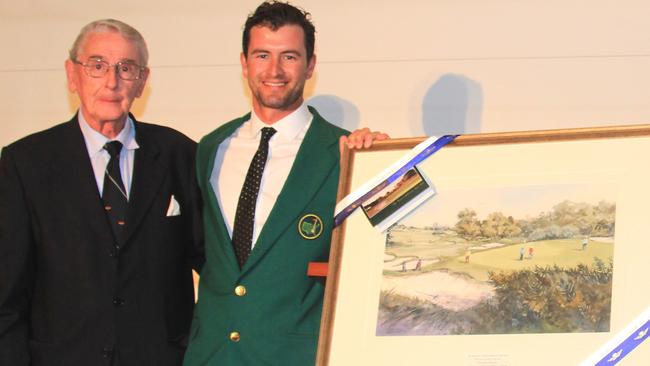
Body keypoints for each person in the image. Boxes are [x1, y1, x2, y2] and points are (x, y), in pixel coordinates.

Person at [183, 2, 387, 365]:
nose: (274, 70)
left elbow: (376, 258)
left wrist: (385, 165)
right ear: (244, 63)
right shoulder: (210, 148)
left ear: (310, 65)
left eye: (289, 57)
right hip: (211, 355)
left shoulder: (346, 154)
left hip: (296, 356)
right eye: (262, 55)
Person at [0, 19, 203, 366]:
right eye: (97, 66)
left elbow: (214, 265)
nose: (112, 82)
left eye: (126, 68)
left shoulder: (180, 154)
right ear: (72, 74)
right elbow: (6, 298)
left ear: (142, 81)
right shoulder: (25, 164)